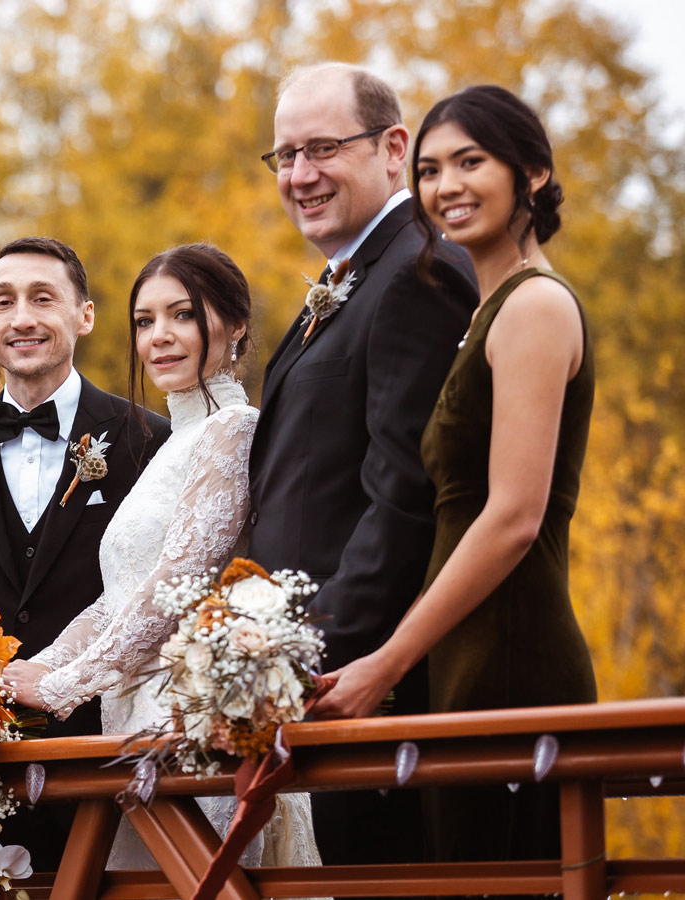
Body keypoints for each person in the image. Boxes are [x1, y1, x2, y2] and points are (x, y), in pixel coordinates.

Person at [315, 85, 598, 865]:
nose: (446, 187)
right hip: (460, 649)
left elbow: (511, 517)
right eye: (432, 170)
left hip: (511, 648)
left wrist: (386, 662)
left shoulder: (536, 306)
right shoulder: (486, 308)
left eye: (471, 162)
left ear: (532, 174)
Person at [2, 244, 319, 869]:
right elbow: (118, 593)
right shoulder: (174, 442)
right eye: (145, 322)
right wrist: (33, 667)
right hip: (132, 721)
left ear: (234, 326)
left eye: (182, 315)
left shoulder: (235, 428)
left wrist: (67, 684)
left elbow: (181, 582)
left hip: (188, 722)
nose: (159, 337)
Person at [247, 64, 476, 870]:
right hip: (301, 691)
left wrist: (311, 654)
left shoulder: (418, 273)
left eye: (321, 149)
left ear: (391, 148)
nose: (300, 175)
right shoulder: (351, 278)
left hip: (357, 690)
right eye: (284, 156)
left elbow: (402, 493)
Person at [0, 236, 168, 873]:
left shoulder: (147, 436)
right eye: (3, 302)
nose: (22, 317)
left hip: (106, 744)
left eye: (42, 298)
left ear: (83, 316)